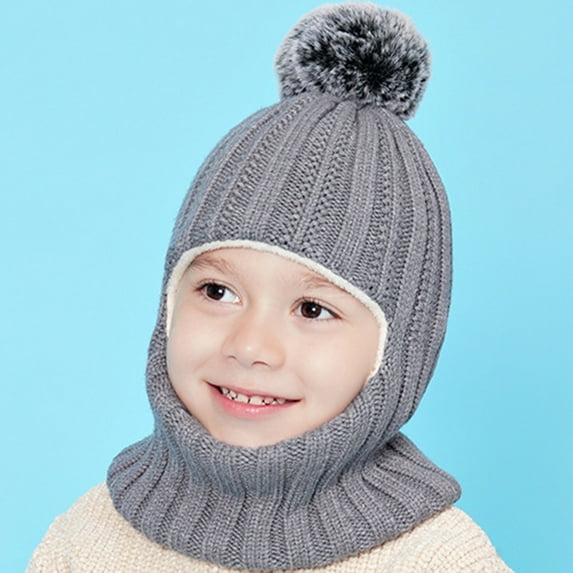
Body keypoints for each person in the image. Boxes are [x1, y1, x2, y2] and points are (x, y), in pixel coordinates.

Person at [27, 3, 513, 571]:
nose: (251, 346)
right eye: (217, 292)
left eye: (312, 309)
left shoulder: (439, 559)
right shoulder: (89, 538)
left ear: (397, 352)